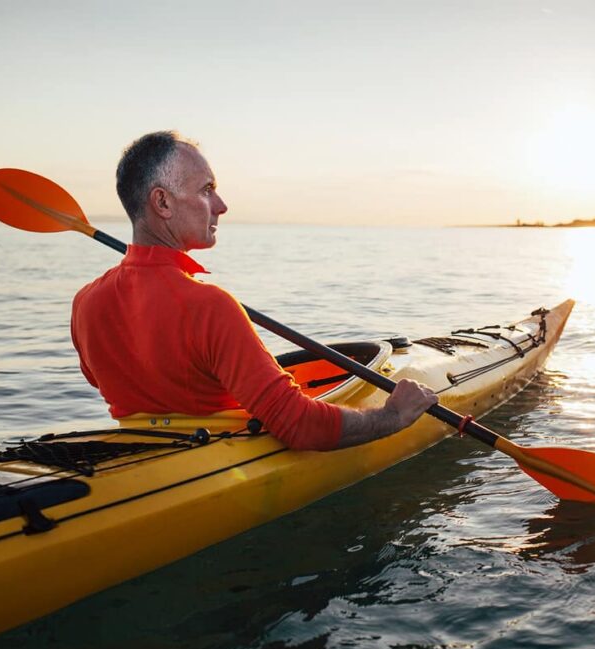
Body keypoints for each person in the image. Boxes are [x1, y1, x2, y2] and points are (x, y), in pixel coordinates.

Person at [71, 131, 437, 450]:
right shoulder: (210, 306)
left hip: (137, 458)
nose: (221, 206)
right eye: (207, 190)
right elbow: (299, 426)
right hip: (216, 461)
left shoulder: (86, 303)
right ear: (162, 202)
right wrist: (393, 416)